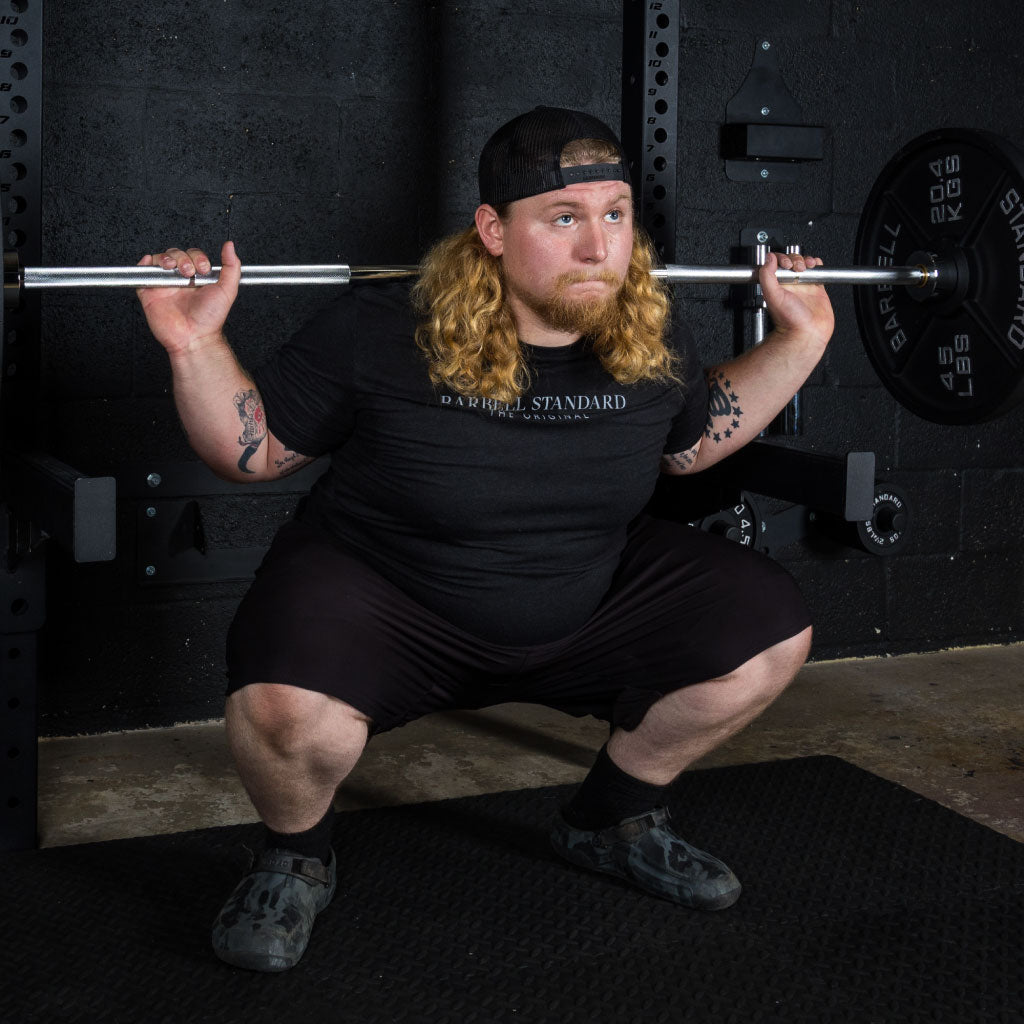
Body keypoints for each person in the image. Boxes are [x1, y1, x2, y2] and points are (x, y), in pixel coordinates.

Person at [138, 106, 834, 972]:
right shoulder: (383, 328)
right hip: (393, 602)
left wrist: (805, 338)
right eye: (564, 218)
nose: (598, 248)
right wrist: (193, 343)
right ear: (493, 230)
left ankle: (611, 819)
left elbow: (691, 445)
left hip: (583, 601)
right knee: (285, 706)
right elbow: (256, 453)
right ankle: (294, 857)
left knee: (767, 627)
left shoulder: (650, 331)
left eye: (614, 214)